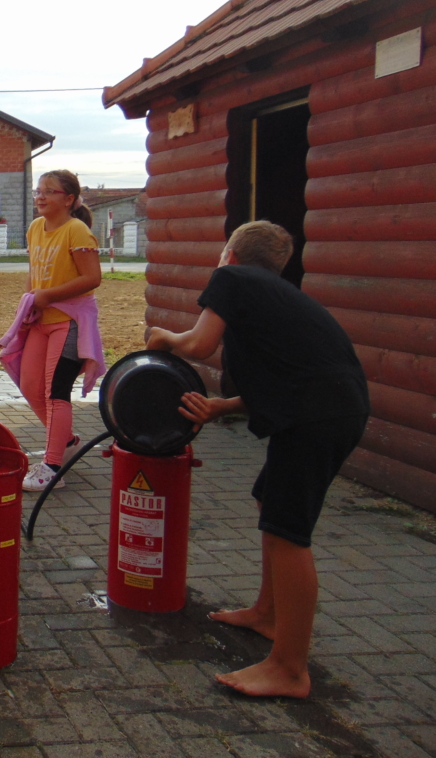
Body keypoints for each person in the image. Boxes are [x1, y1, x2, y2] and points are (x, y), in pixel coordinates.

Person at [147, 221, 368, 699]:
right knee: (270, 502)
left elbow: (199, 345)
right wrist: (220, 408)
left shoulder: (232, 278)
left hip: (317, 416)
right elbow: (285, 377)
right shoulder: (273, 298)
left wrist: (164, 337)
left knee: (288, 532)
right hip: (332, 408)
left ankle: (289, 669)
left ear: (229, 253)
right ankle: (267, 614)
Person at [17, 170, 105, 493]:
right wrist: (31, 303)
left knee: (56, 391)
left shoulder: (77, 231)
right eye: (38, 191)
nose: (40, 196)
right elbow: (34, 273)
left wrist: (48, 296)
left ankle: (53, 467)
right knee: (30, 386)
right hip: (41, 321)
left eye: (48, 191)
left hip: (70, 322)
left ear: (68, 199)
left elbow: (92, 278)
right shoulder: (35, 228)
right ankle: (66, 442)